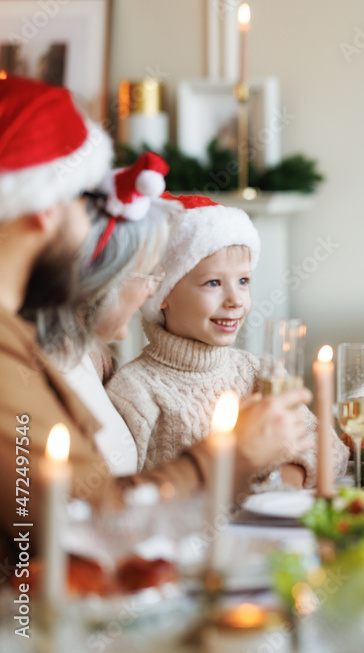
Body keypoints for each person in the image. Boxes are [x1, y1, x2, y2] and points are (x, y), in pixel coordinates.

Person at [0, 76, 312, 568]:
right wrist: (227, 457)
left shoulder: (32, 342)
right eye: (85, 203)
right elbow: (83, 522)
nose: (93, 227)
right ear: (44, 208)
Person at [106, 193, 348, 487]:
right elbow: (119, 497)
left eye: (243, 281)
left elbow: (332, 449)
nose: (236, 300)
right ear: (163, 294)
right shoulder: (134, 390)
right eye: (213, 283)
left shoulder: (259, 373)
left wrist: (279, 484)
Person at [24, 153, 173, 476]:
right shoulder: (37, 370)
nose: (152, 291)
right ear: (104, 281)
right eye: (148, 274)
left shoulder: (86, 356)